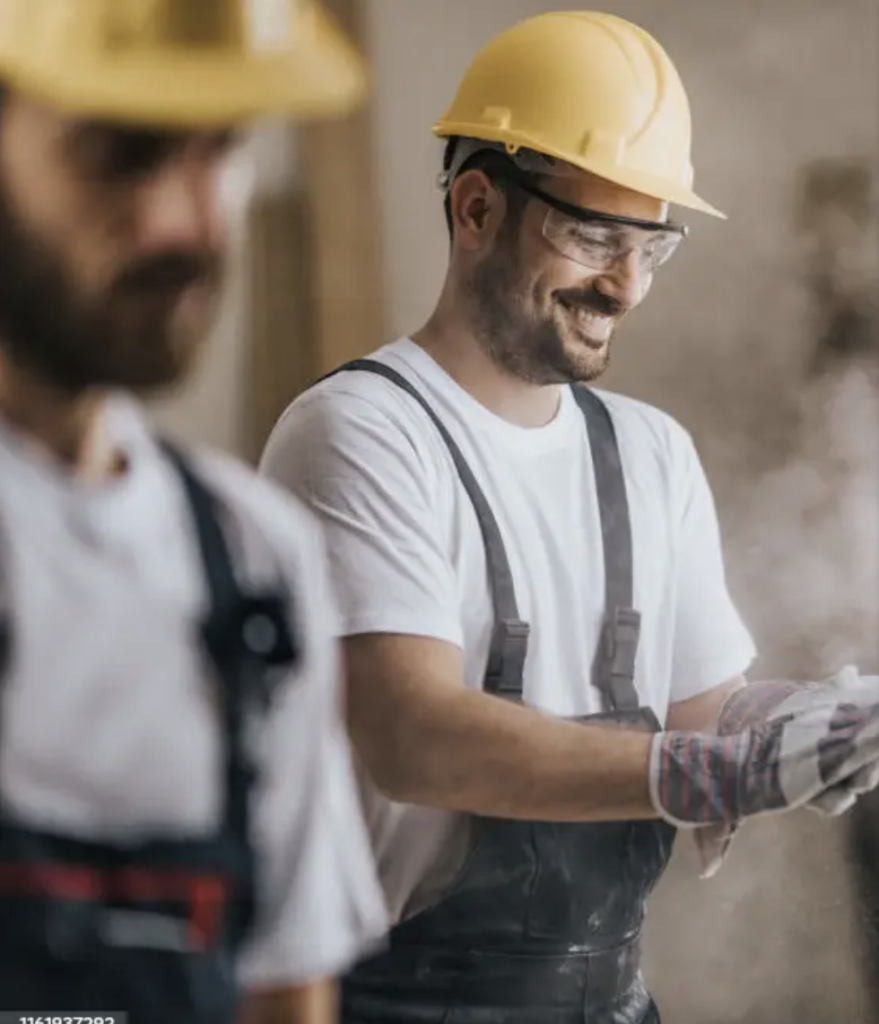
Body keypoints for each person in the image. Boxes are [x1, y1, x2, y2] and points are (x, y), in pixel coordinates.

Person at [260, 10, 879, 1024]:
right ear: (474, 209)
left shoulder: (650, 453)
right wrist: (712, 770)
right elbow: (414, 738)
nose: (626, 285)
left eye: (652, 245)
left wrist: (807, 721)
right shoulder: (361, 434)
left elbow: (705, 713)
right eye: (593, 234)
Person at [0, 1, 387, 1023]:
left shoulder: (257, 567)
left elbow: (286, 988)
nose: (192, 223)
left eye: (221, 149)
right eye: (122, 154)